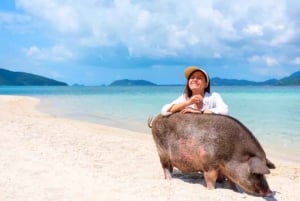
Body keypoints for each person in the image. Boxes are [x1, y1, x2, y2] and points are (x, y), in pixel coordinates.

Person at [161, 66, 229, 116]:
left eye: (199, 78)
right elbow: (164, 110)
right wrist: (189, 102)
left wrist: (200, 112)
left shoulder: (213, 96)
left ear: (206, 84)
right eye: (192, 77)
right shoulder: (185, 98)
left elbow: (225, 110)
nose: (195, 80)